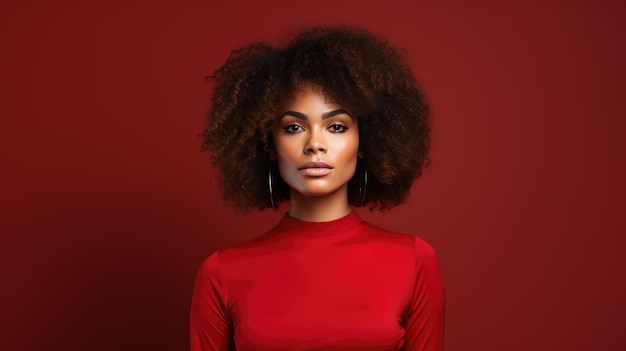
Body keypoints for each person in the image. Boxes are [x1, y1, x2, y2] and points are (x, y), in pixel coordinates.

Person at [191, 26, 444, 350]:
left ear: (364, 141)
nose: (315, 144)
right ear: (270, 144)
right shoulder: (221, 274)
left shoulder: (414, 262)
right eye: (294, 127)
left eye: (336, 127)